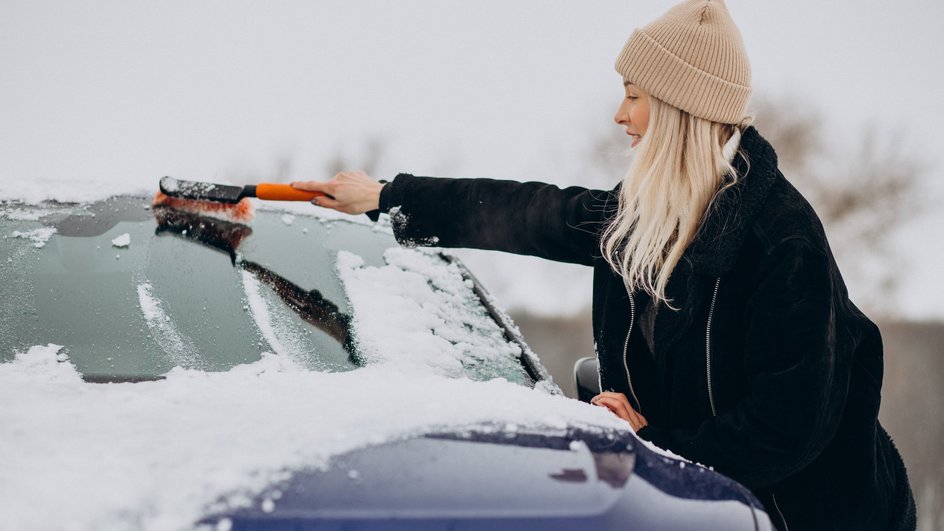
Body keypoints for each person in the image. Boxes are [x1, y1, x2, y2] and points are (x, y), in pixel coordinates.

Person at [290, 1, 915, 529]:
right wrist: (387, 196)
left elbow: (786, 426)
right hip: (706, 503)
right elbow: (531, 212)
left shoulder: (782, 243)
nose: (621, 116)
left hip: (815, 514)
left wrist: (650, 446)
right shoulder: (650, 216)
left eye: (635, 97)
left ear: (677, 110)